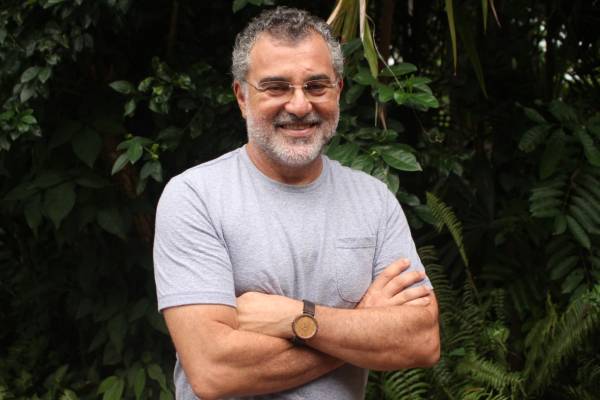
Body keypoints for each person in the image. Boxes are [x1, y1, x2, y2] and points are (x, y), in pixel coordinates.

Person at [153, 6, 439, 400]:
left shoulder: (373, 200)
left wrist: (296, 319)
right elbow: (214, 371)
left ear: (338, 90)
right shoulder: (195, 197)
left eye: (316, 86)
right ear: (241, 96)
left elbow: (421, 341)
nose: (300, 105)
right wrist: (360, 325)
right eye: (276, 87)